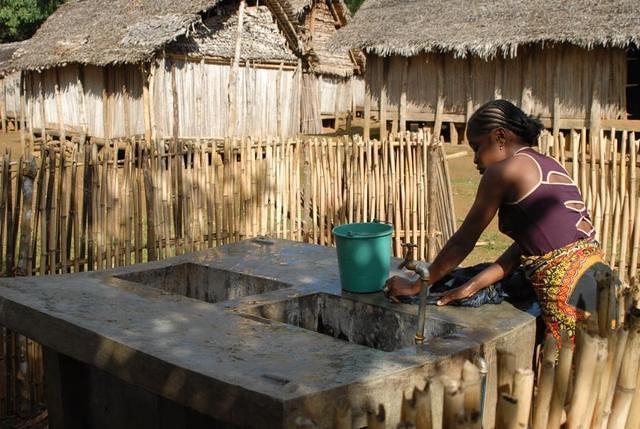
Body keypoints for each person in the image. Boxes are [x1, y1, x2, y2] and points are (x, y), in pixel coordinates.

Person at [385, 99, 616, 343]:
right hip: (600, 280)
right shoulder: (548, 164)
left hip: (569, 293)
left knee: (569, 370)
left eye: (477, 146)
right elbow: (525, 249)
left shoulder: (503, 172)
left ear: (500, 137)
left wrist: (418, 284)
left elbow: (463, 241)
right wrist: (473, 285)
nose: (474, 158)